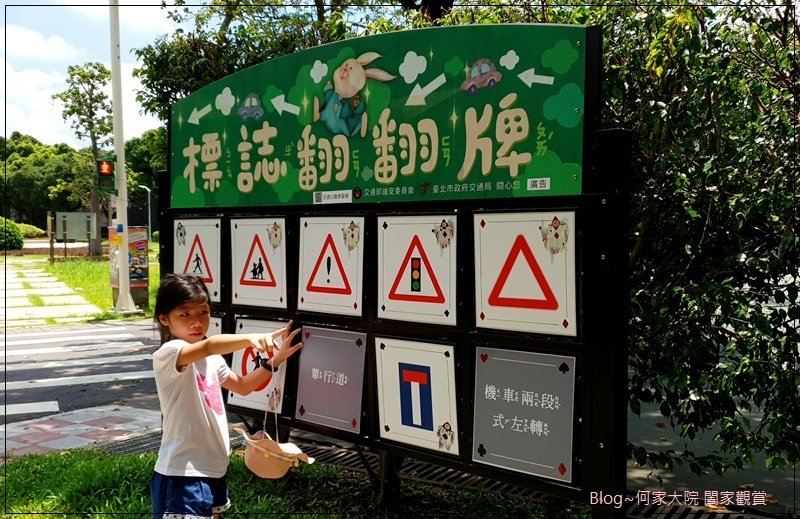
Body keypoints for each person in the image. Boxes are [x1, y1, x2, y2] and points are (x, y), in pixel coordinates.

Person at [150, 273, 302, 519]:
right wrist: (249, 339)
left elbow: (242, 386)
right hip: (182, 474)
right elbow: (210, 345)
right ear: (164, 319)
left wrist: (275, 360)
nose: (197, 322)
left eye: (203, 312)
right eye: (185, 314)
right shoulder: (170, 353)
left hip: (213, 470)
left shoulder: (212, 359)